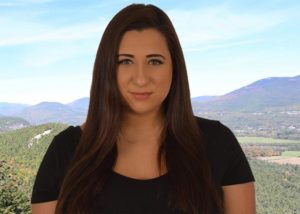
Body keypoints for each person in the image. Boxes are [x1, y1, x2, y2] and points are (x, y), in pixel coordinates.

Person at [31, 4, 255, 214]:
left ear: (175, 68)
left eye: (155, 61)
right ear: (107, 68)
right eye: (125, 61)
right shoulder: (65, 152)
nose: (140, 79)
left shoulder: (218, 143)